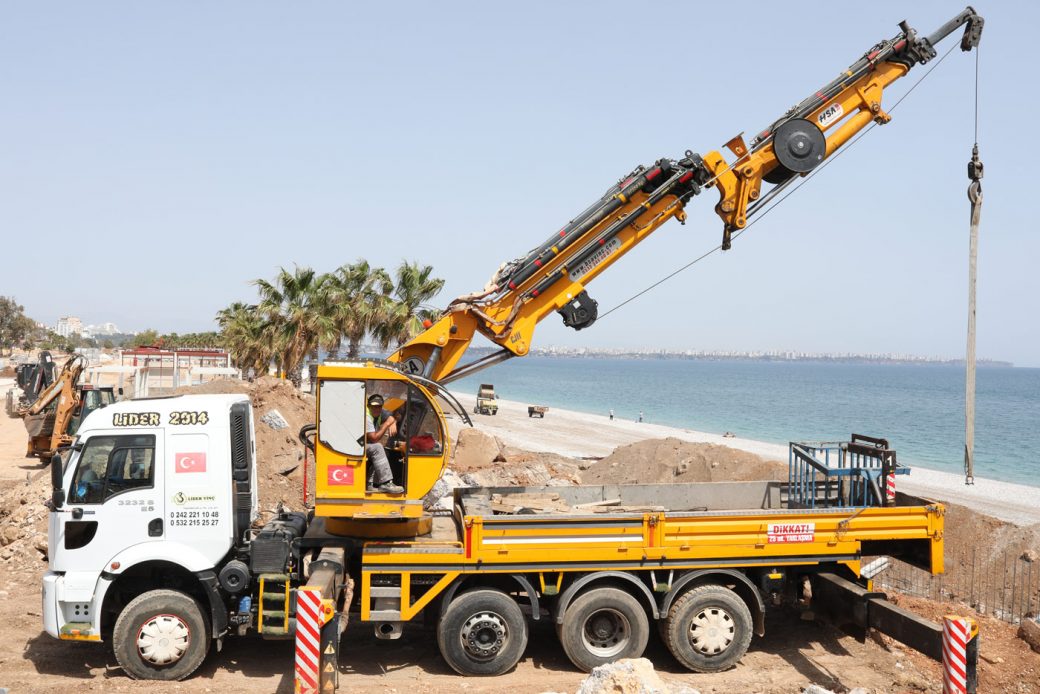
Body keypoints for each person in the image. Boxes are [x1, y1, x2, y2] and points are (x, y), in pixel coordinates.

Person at [365, 394, 404, 494]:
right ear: (369, 406)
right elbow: (374, 438)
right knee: (377, 447)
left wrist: (394, 422)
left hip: (362, 445)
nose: (376, 409)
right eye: (374, 406)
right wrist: (387, 424)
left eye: (379, 406)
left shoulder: (380, 412)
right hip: (354, 447)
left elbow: (394, 415)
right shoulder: (366, 416)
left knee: (382, 451)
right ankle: (386, 483)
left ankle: (370, 483)